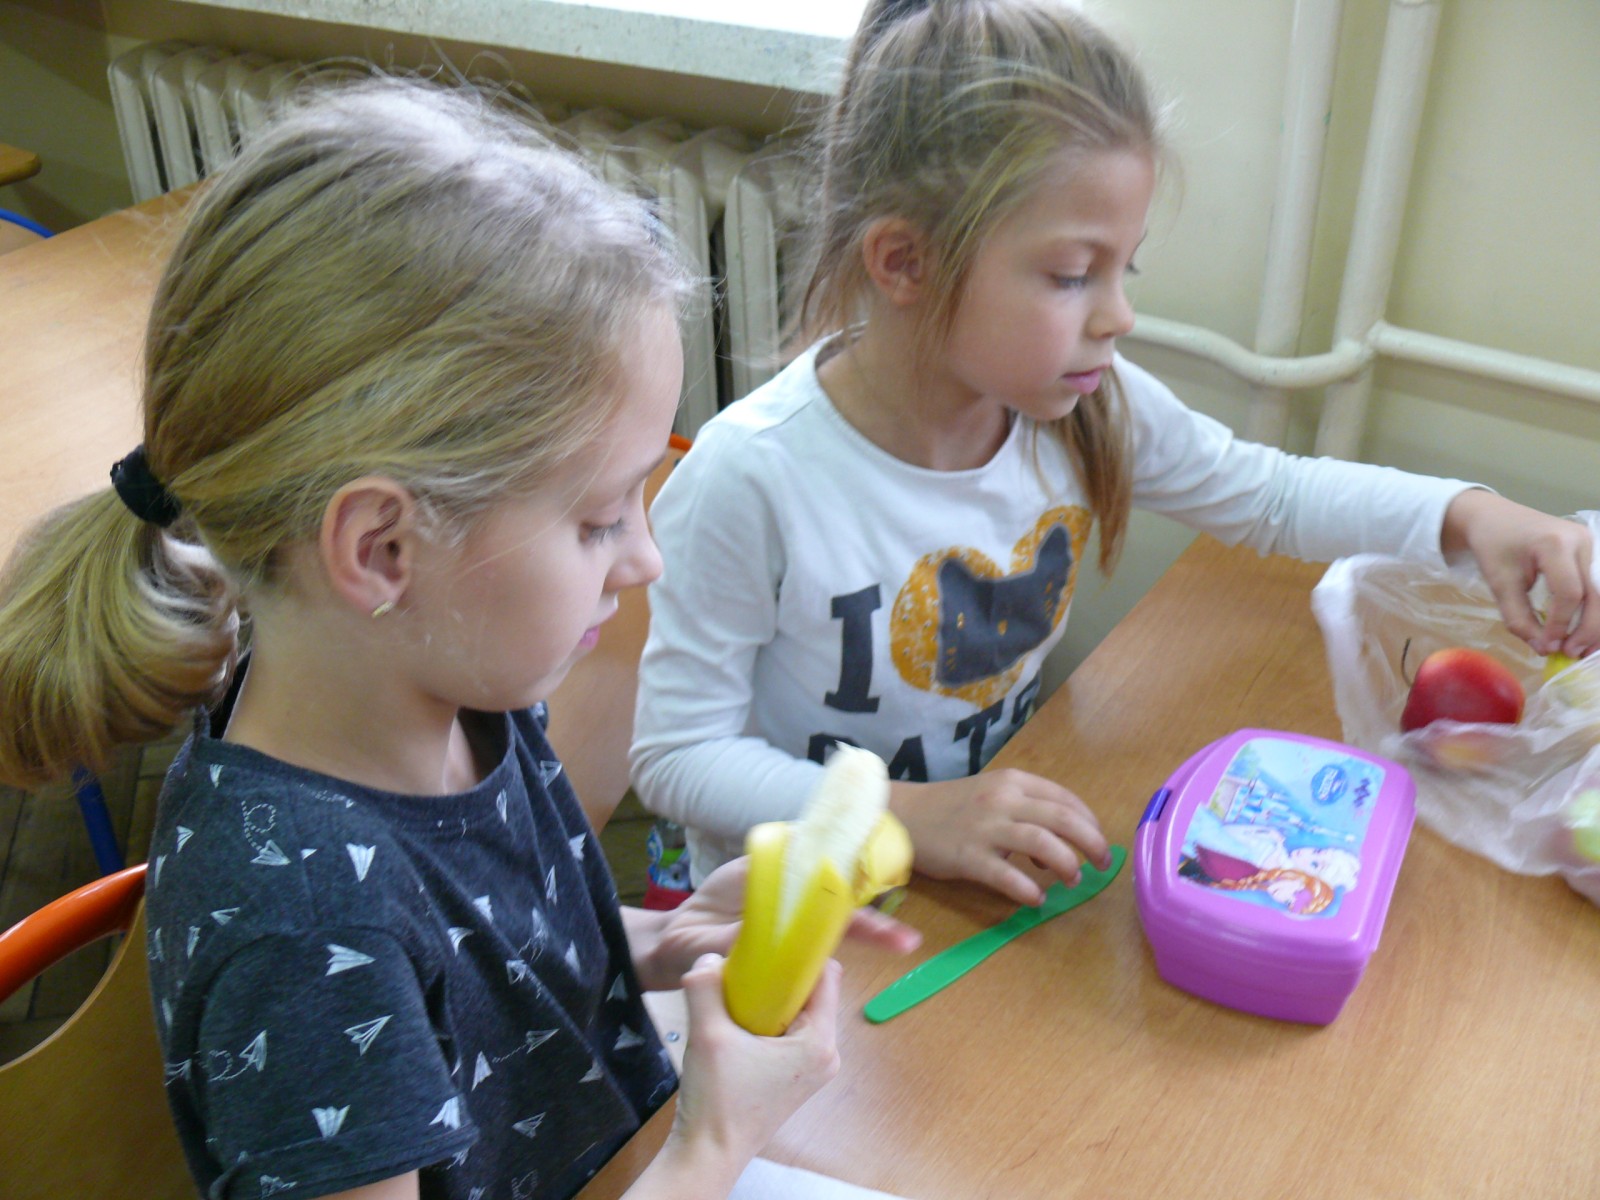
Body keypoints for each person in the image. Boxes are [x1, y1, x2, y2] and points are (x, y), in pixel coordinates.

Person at [0, 79, 915, 1200]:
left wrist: (657, 945)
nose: (645, 558)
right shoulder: (302, 941)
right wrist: (714, 1145)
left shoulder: (456, 688)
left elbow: (492, 983)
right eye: (599, 518)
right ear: (383, 549)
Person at [629, 0, 1600, 909]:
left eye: (1123, 268)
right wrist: (905, 816)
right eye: (1070, 275)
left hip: (974, 873)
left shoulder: (1084, 407)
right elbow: (677, 758)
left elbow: (1271, 495)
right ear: (905, 262)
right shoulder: (752, 477)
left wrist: (1469, 515)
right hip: (793, 905)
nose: (1120, 315)